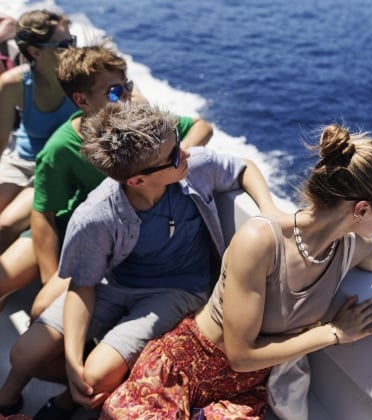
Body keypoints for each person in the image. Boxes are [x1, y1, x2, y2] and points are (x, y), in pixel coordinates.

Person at [101, 123, 372, 418]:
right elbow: (240, 356)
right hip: (186, 367)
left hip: (246, 389)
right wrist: (334, 333)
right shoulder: (261, 241)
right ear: (361, 209)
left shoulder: (350, 247)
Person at [4, 101, 280, 419]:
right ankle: (97, 388)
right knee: (24, 354)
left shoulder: (195, 168)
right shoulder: (96, 216)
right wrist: (71, 360)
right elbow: (83, 288)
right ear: (136, 180)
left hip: (177, 290)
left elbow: (244, 167)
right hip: (117, 284)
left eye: (178, 143)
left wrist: (269, 211)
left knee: (94, 377)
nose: (186, 153)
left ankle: (77, 396)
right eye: (174, 155)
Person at [0, 45, 214, 417]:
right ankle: (18, 396)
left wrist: (172, 165)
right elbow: (45, 215)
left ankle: (69, 398)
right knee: (31, 334)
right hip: (93, 246)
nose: (127, 95)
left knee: (89, 364)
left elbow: (203, 132)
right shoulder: (64, 156)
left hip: (144, 269)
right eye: (115, 91)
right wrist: (55, 280)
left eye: (126, 86)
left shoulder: (153, 138)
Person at [0, 9, 77, 253]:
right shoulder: (14, 83)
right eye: (64, 44)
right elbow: (1, 140)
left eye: (72, 41)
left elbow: (127, 95)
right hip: (21, 161)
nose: (73, 50)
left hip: (58, 168)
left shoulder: (83, 79)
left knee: (4, 225)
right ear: (35, 51)